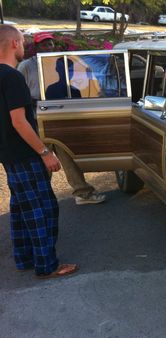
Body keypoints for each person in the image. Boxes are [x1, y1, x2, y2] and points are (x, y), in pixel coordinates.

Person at [0, 25, 77, 278]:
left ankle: (24, 258)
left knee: (22, 207)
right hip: (25, 154)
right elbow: (19, 121)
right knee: (42, 209)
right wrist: (45, 152)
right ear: (13, 44)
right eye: (22, 42)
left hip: (9, 154)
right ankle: (47, 265)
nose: (24, 46)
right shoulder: (12, 77)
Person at [18, 31, 106, 205]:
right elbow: (19, 93)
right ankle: (39, 197)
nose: (48, 47)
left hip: (60, 116)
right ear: (36, 47)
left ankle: (82, 193)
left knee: (67, 154)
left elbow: (76, 88)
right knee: (42, 157)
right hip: (37, 118)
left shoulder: (62, 62)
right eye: (44, 44)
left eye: (50, 44)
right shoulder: (27, 66)